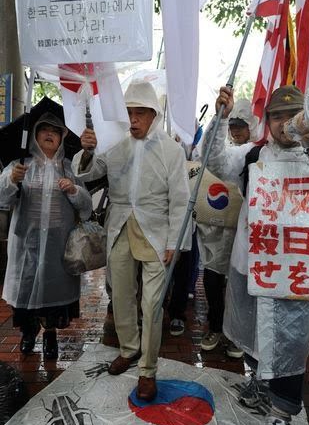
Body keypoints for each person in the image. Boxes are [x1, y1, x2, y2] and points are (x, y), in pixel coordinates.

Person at [203, 84, 309, 425]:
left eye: (292, 115)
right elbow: (214, 161)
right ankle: (260, 383)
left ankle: (282, 413)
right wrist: (219, 118)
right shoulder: (252, 155)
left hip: (295, 271)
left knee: (292, 342)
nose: (284, 124)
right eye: (276, 117)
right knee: (251, 330)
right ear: (267, 122)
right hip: (252, 264)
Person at [72, 80, 190, 401]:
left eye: (140, 113)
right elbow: (89, 171)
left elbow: (181, 200)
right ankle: (128, 349)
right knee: (121, 294)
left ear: (154, 114)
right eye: (129, 113)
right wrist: (87, 150)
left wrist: (175, 244)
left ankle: (147, 370)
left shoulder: (172, 151)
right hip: (120, 228)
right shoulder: (118, 147)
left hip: (157, 233)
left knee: (151, 305)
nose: (134, 119)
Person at [0, 113, 92, 359]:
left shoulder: (69, 168)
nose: (49, 134)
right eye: (44, 129)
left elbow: (86, 207)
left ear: (62, 137)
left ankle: (50, 334)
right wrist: (11, 180)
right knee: (25, 289)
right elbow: (2, 199)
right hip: (25, 244)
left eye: (55, 130)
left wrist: (73, 190)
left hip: (57, 244)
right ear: (35, 135)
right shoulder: (20, 165)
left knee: (54, 292)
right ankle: (28, 333)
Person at [199, 99, 258, 354]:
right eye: (232, 125)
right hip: (219, 228)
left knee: (241, 283)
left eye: (240, 125)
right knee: (212, 279)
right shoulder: (230, 153)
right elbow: (213, 158)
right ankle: (215, 326)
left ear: (252, 127)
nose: (235, 130)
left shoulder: (260, 152)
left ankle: (237, 334)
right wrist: (221, 116)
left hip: (247, 231)